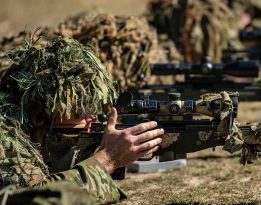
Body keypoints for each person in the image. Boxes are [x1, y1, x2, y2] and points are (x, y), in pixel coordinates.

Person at [0, 36, 163, 204]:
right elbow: (32, 199)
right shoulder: (5, 138)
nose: (92, 117)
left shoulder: (28, 129)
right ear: (43, 113)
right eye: (80, 110)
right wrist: (108, 159)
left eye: (94, 108)